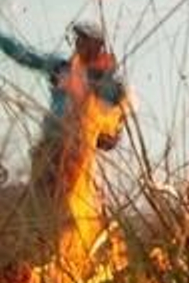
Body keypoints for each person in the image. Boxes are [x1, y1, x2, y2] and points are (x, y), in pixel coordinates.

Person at [0, 20, 127, 201]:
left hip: (76, 150)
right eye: (78, 39)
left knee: (65, 201)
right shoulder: (61, 67)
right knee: (40, 197)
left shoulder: (107, 82)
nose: (78, 44)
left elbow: (112, 129)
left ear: (97, 46)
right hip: (50, 143)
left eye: (84, 40)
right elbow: (26, 56)